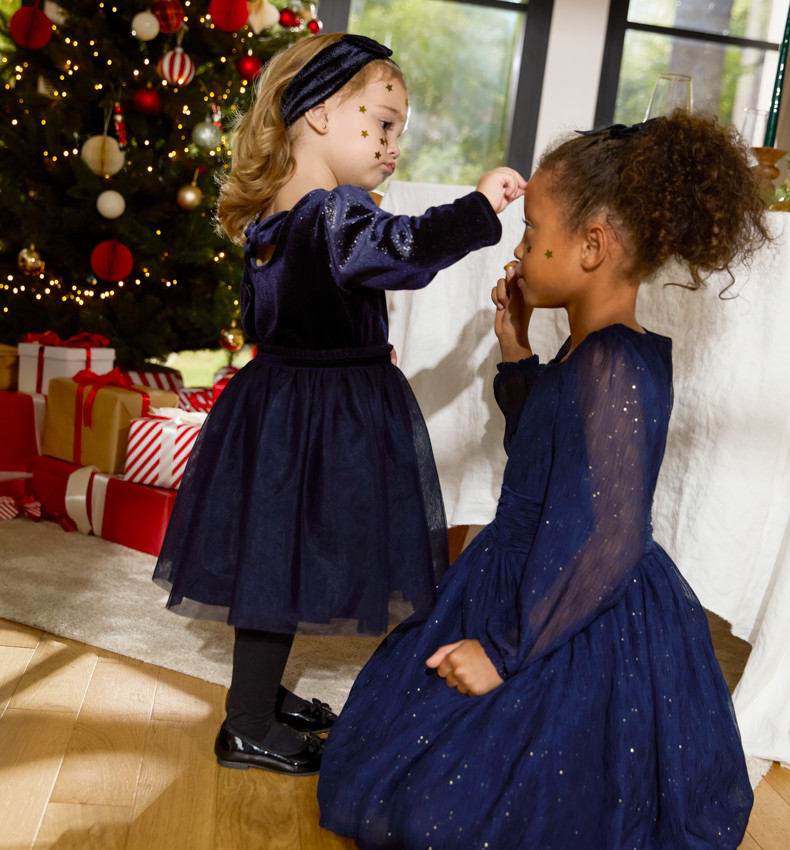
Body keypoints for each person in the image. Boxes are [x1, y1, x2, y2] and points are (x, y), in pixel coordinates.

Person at [317, 111, 770, 847]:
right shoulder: (585, 356)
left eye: (532, 233)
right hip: (526, 569)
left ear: (591, 246)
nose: (520, 250)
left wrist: (504, 650)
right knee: (398, 751)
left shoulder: (617, 366)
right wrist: (517, 349)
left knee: (445, 808)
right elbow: (542, 454)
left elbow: (609, 534)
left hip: (572, 593)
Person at [152, 32, 525, 777]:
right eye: (382, 123)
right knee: (282, 563)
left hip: (281, 405)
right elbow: (409, 246)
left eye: (398, 131)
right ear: (319, 115)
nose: (392, 144)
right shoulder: (332, 216)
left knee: (279, 559)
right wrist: (481, 206)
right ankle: (248, 724)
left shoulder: (276, 216)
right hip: (322, 412)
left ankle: (260, 696)